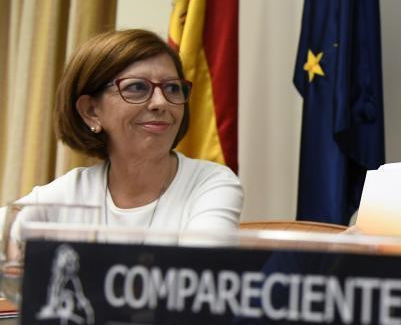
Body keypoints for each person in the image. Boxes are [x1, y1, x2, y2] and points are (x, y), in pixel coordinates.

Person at [14, 29, 243, 231]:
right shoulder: (71, 192)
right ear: (91, 111)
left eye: (172, 88)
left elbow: (194, 274)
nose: (161, 103)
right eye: (137, 87)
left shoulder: (209, 183)